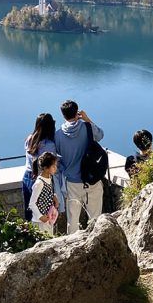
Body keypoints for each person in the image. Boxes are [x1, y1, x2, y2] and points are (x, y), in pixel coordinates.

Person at [54, 100, 104, 234]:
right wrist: (88, 120)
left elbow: (58, 160)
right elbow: (100, 135)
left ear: (63, 115)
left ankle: (72, 244)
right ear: (77, 112)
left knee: (73, 219)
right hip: (91, 179)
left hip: (72, 182)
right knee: (95, 217)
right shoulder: (87, 127)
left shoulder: (58, 135)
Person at [23, 113, 64, 222]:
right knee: (44, 212)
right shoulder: (49, 144)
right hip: (41, 178)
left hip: (27, 176)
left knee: (29, 211)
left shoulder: (29, 139)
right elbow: (51, 164)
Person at [28, 152, 59, 236]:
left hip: (47, 219)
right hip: (40, 222)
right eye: (53, 166)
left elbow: (46, 193)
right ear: (46, 168)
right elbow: (32, 203)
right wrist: (40, 216)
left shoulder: (49, 178)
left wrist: (54, 197)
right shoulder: (39, 183)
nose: (55, 168)